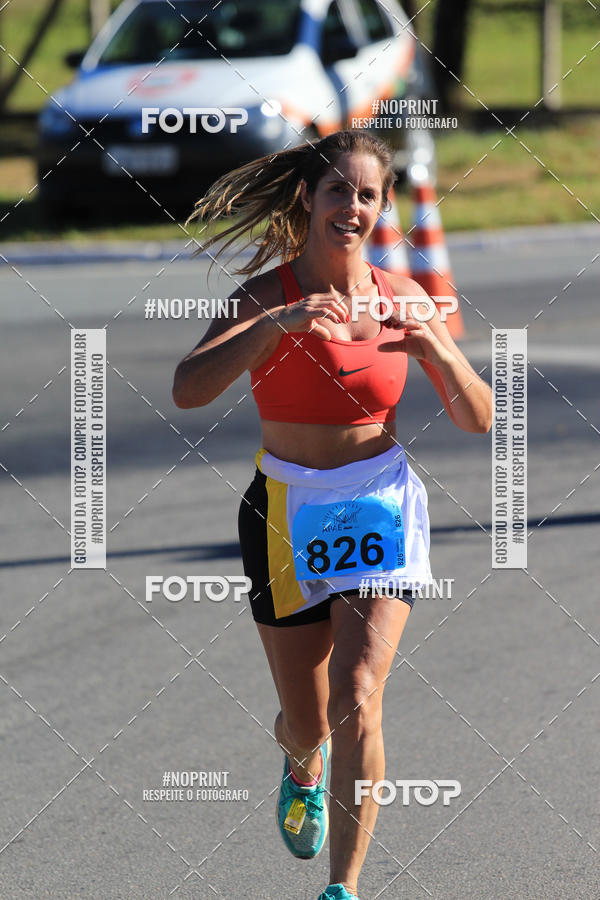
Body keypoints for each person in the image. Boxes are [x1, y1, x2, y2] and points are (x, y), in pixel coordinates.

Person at [173, 130, 492, 900]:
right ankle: (299, 762)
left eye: (367, 195)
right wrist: (273, 329)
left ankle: (342, 889)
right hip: (286, 507)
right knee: (310, 719)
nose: (352, 207)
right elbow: (188, 388)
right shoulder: (263, 297)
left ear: (384, 208)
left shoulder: (405, 297)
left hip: (379, 503)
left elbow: (477, 419)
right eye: (337, 191)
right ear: (310, 201)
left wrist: (441, 353)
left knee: (357, 696)